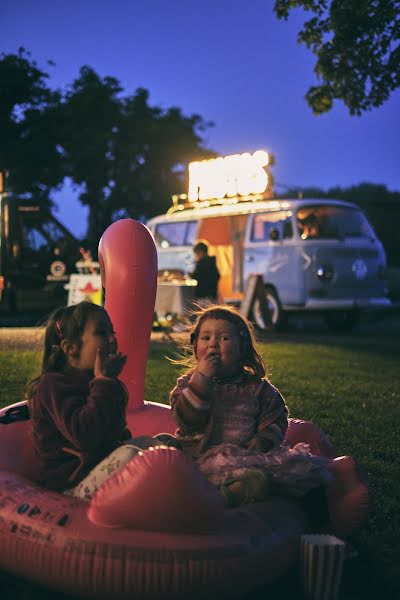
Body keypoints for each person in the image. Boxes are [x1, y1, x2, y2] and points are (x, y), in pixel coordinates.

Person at [169, 305, 332, 507]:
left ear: (242, 347)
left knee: (299, 473)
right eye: (206, 338)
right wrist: (202, 379)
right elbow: (188, 420)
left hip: (245, 459)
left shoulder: (257, 389)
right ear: (195, 347)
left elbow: (276, 417)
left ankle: (223, 499)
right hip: (201, 460)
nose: (213, 345)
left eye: (224, 338)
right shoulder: (188, 384)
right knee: (169, 456)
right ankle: (213, 500)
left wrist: (263, 439)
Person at [26, 301, 177, 500]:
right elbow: (84, 435)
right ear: (70, 348)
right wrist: (104, 382)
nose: (112, 339)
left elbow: (117, 433)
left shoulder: (97, 382)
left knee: (166, 442)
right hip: (73, 485)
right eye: (101, 333)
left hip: (101, 468)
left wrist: (107, 383)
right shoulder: (53, 385)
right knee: (132, 455)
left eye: (112, 332)